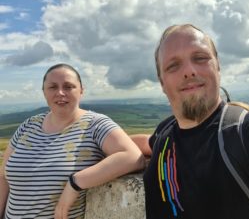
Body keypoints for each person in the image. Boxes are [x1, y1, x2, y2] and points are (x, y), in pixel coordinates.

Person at [136, 24, 249, 219]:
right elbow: (144, 142)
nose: (189, 71)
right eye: (173, 65)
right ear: (162, 82)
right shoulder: (165, 134)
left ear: (218, 66)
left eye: (200, 58)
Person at [0, 63, 145, 219]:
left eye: (68, 87)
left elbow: (133, 156)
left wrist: (75, 183)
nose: (60, 92)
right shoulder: (28, 125)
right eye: (53, 87)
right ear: (44, 92)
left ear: (81, 91)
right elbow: (3, 177)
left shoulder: (95, 125)